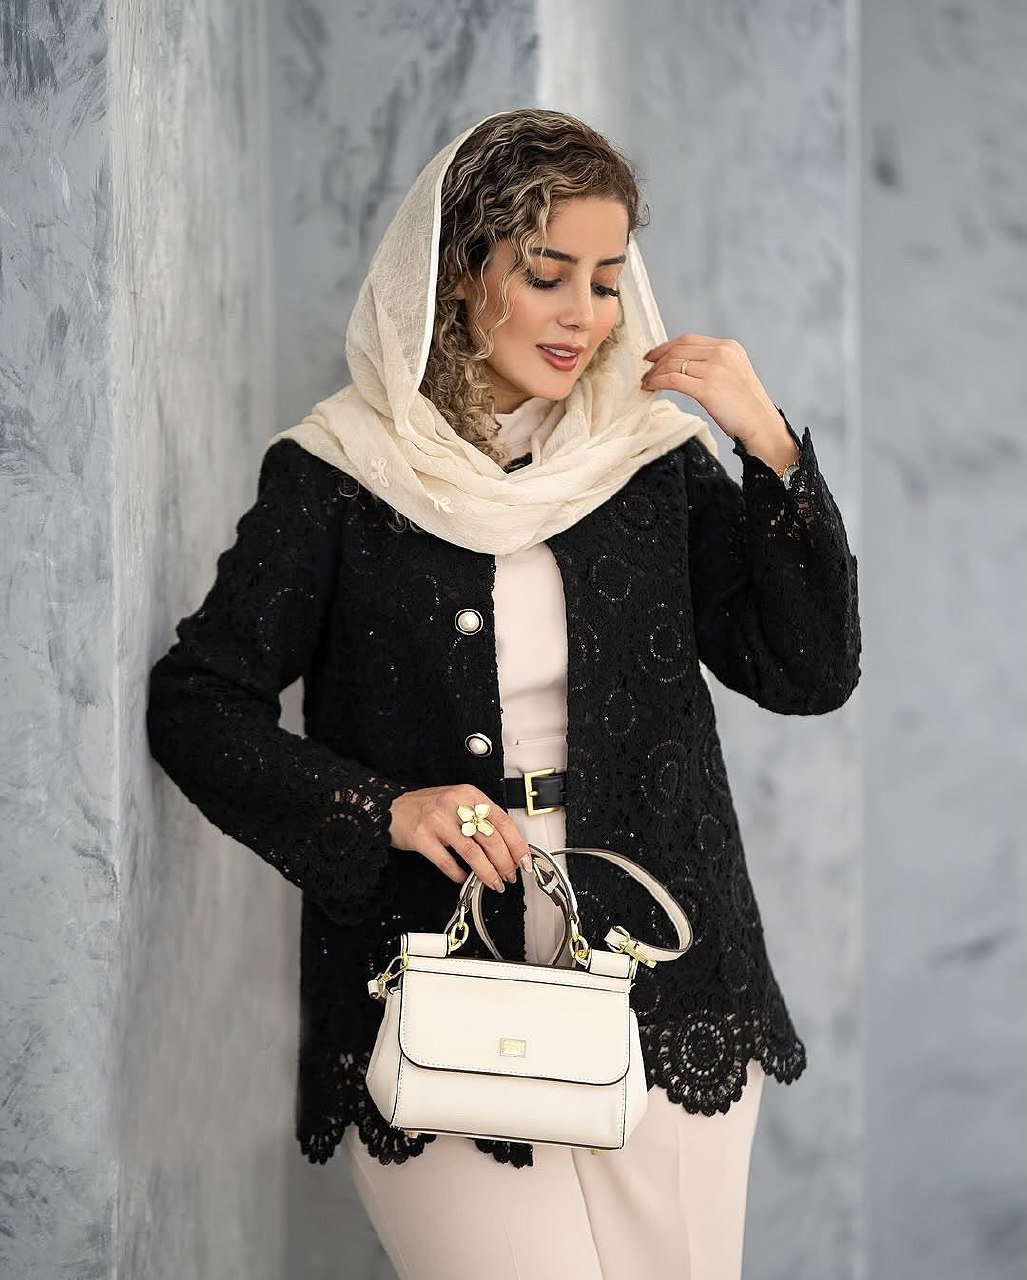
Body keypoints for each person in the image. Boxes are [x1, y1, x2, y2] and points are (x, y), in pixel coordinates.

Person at [146, 108, 861, 1278]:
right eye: (546, 274)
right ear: (457, 271)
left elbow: (809, 671)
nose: (585, 313)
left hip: (663, 989)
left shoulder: (646, 466)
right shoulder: (337, 476)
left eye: (607, 281)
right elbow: (197, 701)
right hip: (432, 992)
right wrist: (384, 808)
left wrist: (771, 451)